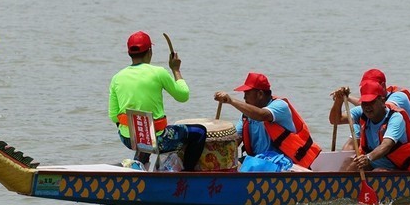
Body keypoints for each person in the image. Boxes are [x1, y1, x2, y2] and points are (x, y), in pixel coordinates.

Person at [108, 31, 199, 168]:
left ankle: (139, 166)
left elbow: (113, 116)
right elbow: (183, 96)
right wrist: (176, 70)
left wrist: (133, 130)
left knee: (144, 136)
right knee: (199, 132)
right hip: (156, 138)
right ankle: (188, 176)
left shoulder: (117, 77)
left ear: (129, 53)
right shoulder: (159, 72)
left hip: (128, 138)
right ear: (150, 51)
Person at [215, 73, 320, 171]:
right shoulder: (247, 115)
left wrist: (231, 101)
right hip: (257, 161)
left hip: (282, 162)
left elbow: (262, 115)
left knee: (249, 166)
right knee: (226, 166)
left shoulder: (280, 106)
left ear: (260, 94)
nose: (244, 97)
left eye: (247, 93)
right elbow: (234, 141)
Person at [338, 79, 410, 172]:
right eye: (364, 103)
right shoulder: (362, 113)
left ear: (382, 101)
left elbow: (386, 145)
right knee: (350, 162)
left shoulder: (396, 118)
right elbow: (335, 120)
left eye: (371, 102)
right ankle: (340, 185)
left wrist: (368, 158)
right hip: (375, 162)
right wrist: (339, 101)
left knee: (378, 172)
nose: (367, 107)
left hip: (401, 167)